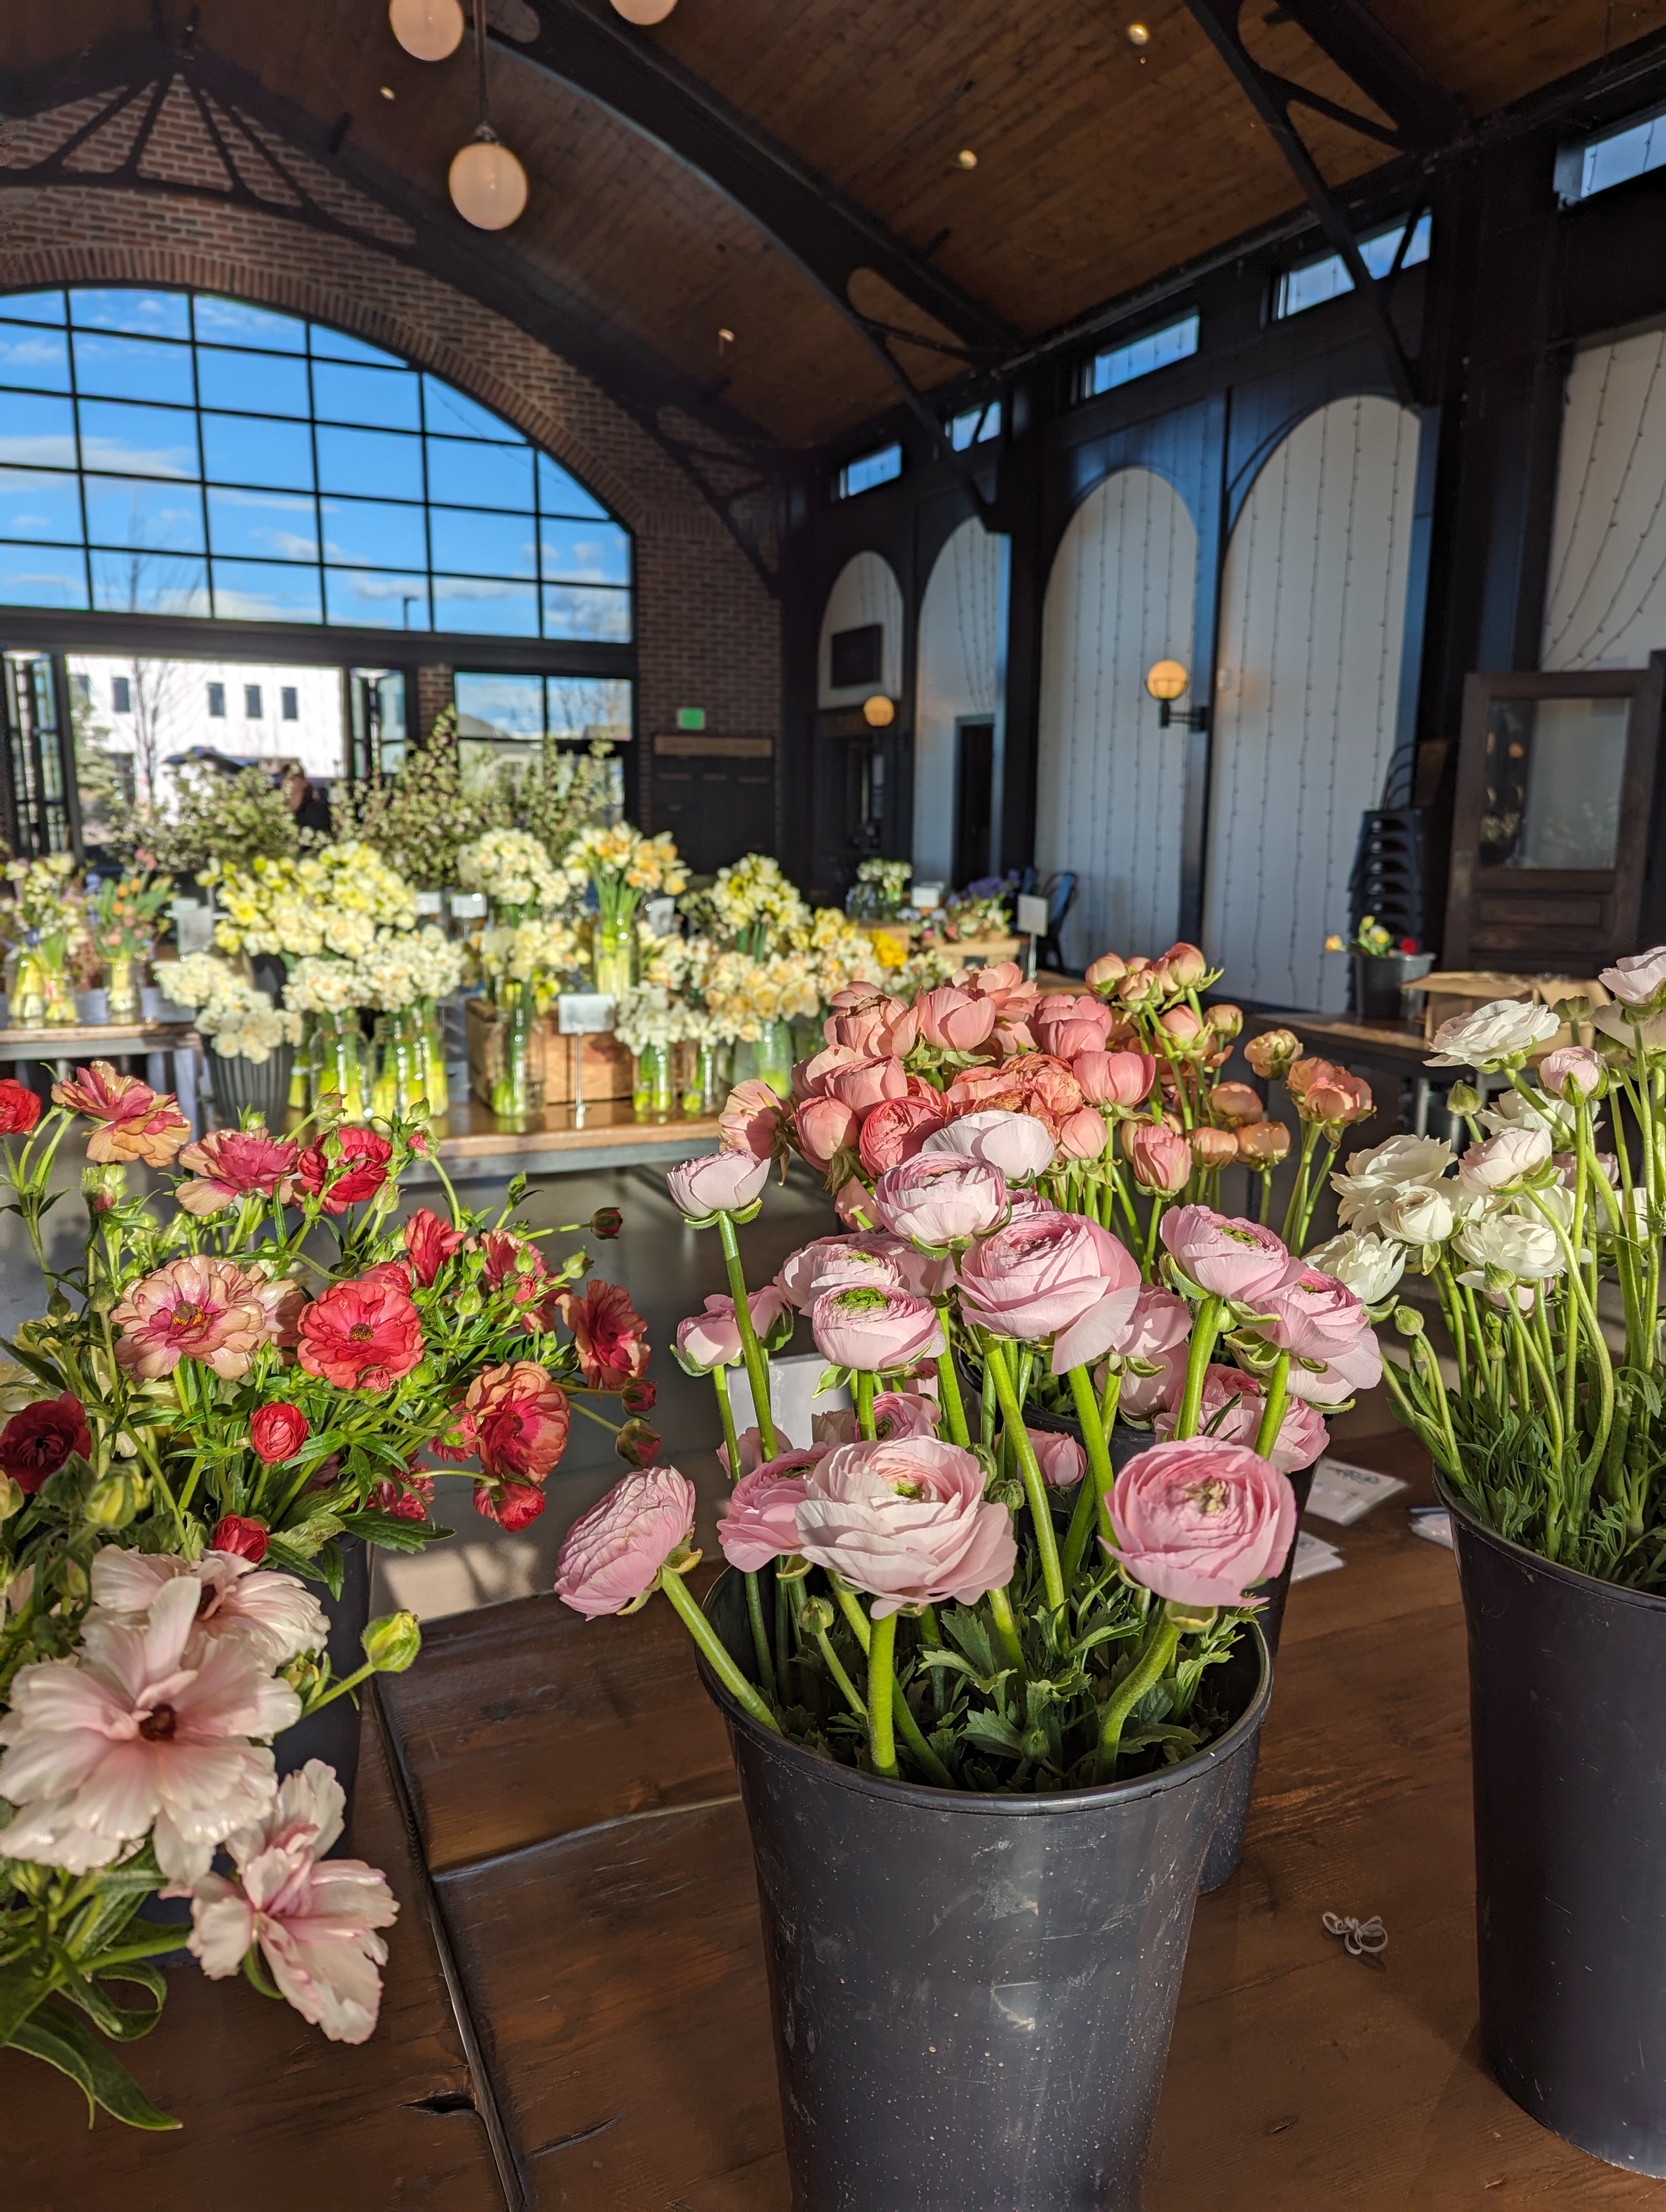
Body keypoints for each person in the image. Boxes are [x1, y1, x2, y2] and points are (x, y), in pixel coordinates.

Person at [281, 764, 334, 839]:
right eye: (285, 778)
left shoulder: (318, 811)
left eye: (292, 779)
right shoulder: (277, 812)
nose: (287, 783)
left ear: (304, 783)